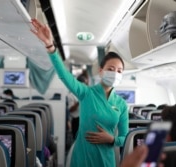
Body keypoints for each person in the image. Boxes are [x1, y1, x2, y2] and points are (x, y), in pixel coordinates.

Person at [31, 19, 129, 167]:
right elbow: (64, 75)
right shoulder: (86, 93)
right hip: (83, 158)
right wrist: (50, 47)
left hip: (107, 160)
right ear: (101, 71)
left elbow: (125, 137)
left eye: (119, 71)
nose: (115, 74)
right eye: (111, 69)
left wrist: (111, 139)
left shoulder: (121, 104)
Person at [67, 74, 89, 139]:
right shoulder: (71, 95)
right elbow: (71, 110)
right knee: (76, 139)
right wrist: (79, 101)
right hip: (76, 120)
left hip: (85, 119)